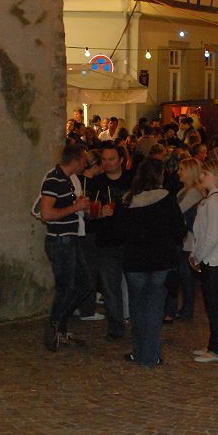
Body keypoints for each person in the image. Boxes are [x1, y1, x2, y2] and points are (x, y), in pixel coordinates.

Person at [116, 159, 186, 366]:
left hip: (135, 262)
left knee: (137, 309)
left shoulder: (128, 200)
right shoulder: (167, 199)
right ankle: (151, 355)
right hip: (160, 262)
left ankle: (139, 352)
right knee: (155, 310)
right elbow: (179, 230)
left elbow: (119, 231)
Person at [39, 143, 92, 351]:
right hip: (60, 240)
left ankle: (59, 325)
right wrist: (75, 207)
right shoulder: (53, 180)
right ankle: (55, 327)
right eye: (84, 160)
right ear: (77, 160)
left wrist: (80, 207)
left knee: (85, 283)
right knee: (66, 287)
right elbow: (46, 214)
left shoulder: (69, 181)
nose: (86, 165)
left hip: (70, 238)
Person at [190, 159, 218, 363]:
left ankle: (217, 349)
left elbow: (212, 235)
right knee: (211, 304)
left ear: (216, 176)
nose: (201, 177)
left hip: (214, 259)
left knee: (213, 304)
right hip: (214, 258)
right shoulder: (216, 198)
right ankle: (213, 345)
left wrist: (197, 254)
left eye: (205, 173)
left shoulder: (216, 201)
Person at [91, 144, 135, 341]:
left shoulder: (132, 180)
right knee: (110, 287)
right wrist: (100, 213)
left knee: (135, 285)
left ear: (120, 160)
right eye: (104, 159)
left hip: (131, 241)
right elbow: (88, 212)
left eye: (111, 159)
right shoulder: (97, 182)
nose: (107, 163)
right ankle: (116, 327)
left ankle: (138, 322)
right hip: (107, 242)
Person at [165, 158, 203, 322]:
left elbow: (178, 210)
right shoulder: (186, 190)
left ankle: (185, 310)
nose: (178, 172)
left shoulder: (193, 191)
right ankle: (181, 310)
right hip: (185, 238)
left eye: (182, 169)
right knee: (183, 276)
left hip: (189, 240)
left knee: (184, 277)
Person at [75, 150, 105, 322]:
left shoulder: (78, 181)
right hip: (89, 230)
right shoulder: (89, 184)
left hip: (83, 230)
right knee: (90, 269)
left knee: (82, 269)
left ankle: (80, 305)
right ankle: (87, 309)